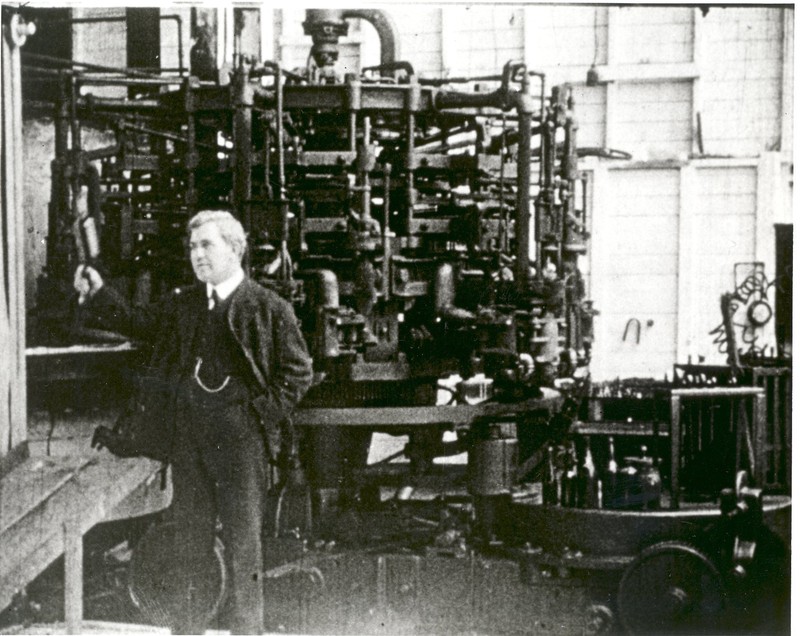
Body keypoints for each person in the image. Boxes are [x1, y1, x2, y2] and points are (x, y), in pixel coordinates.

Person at [75, 210, 314, 634]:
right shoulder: (183, 304)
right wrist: (100, 293)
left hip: (241, 443)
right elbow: (137, 321)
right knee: (188, 545)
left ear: (234, 248)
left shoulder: (268, 307)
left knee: (244, 548)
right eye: (192, 247)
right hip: (189, 441)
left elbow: (298, 372)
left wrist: (256, 417)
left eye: (207, 245)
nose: (197, 255)